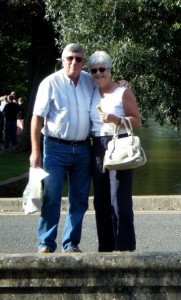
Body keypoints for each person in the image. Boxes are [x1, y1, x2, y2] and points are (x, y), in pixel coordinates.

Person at [30, 43, 95, 253]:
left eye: (79, 59)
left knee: (79, 198)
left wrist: (122, 84)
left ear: (84, 61)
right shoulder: (50, 83)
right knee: (51, 197)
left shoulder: (89, 80)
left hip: (83, 148)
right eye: (70, 58)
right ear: (63, 59)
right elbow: (37, 118)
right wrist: (35, 151)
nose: (74, 62)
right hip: (55, 148)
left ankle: (71, 243)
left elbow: (108, 89)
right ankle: (46, 243)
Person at [88, 51, 141, 252]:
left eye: (102, 69)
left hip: (119, 144)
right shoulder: (91, 89)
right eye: (94, 70)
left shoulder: (123, 92)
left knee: (119, 200)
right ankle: (106, 250)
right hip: (97, 146)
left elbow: (137, 120)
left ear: (110, 70)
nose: (99, 73)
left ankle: (126, 248)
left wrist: (116, 120)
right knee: (101, 202)